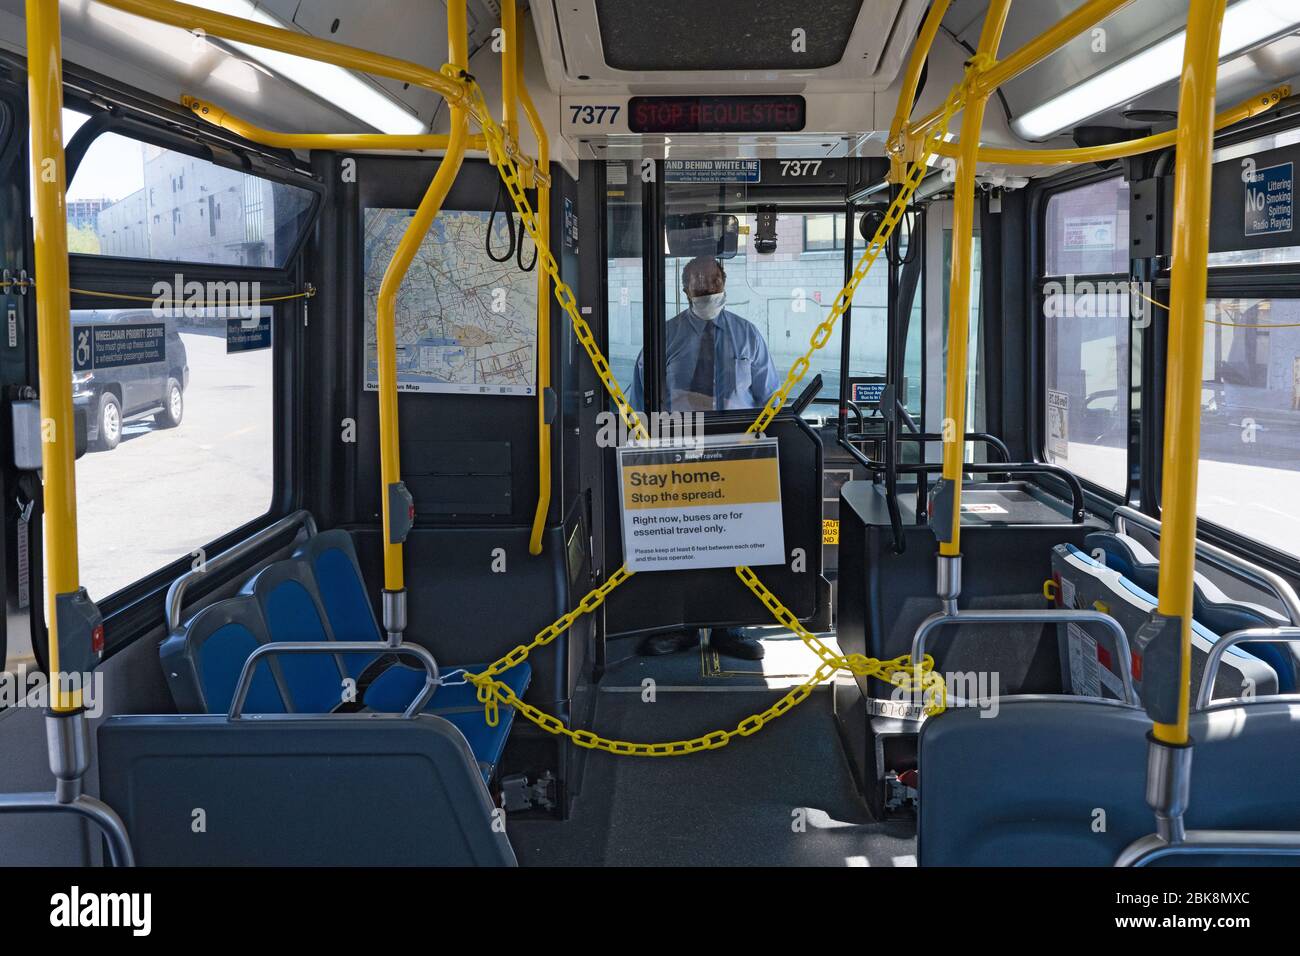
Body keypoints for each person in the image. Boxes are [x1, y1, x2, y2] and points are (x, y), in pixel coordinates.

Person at [628, 255, 781, 661]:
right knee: (682, 542)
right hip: (681, 456)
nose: (707, 287)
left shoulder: (749, 337)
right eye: (697, 281)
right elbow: (639, 402)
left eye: (713, 279)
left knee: (736, 545)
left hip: (737, 456)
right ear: (684, 289)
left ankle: (729, 628)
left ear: (725, 281)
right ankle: (678, 627)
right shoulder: (663, 337)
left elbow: (769, 400)